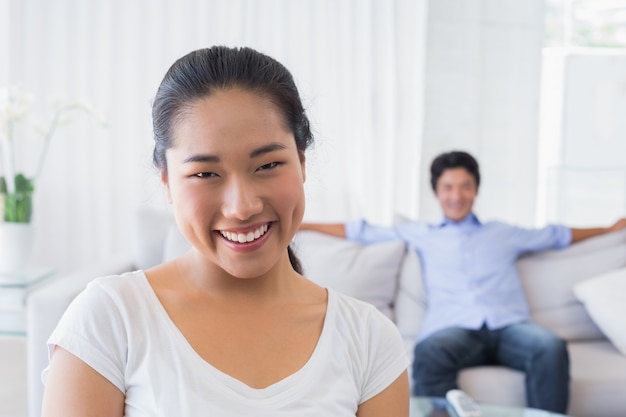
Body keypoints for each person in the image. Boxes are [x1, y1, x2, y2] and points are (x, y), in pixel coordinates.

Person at [41, 46, 409, 417]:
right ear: (167, 181)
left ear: (301, 162)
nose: (242, 206)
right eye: (205, 173)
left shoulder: (369, 339)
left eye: (267, 165)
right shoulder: (110, 318)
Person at [301, 150, 626, 414]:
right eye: (448, 187)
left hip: (511, 328)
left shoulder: (503, 233)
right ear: (436, 192)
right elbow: (359, 229)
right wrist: (299, 223)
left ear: (476, 190)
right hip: (454, 332)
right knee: (429, 351)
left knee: (549, 346)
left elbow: (559, 234)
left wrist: (611, 229)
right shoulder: (421, 234)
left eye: (465, 186)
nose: (457, 195)